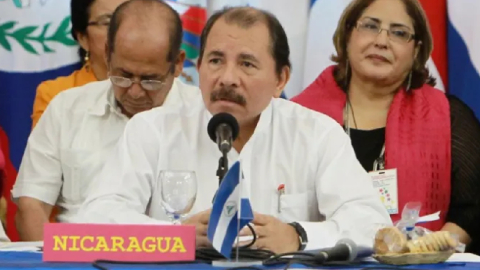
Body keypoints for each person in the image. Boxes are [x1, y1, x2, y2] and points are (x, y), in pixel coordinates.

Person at [77, 6, 391, 253]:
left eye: (247, 64)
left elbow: (372, 224)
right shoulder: (152, 130)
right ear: (198, 68)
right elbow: (96, 219)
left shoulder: (316, 133)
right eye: (215, 60)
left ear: (280, 79)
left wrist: (298, 235)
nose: (227, 78)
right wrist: (176, 236)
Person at [292, 0, 480, 252]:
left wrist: (423, 252)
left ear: (416, 51)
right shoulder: (297, 117)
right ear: (348, 35)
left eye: (399, 33)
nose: (381, 41)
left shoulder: (449, 116)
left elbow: (471, 209)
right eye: (370, 26)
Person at [13, 0, 200, 241]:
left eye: (150, 80)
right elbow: (32, 206)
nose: (134, 92)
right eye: (123, 76)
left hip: (176, 258)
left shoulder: (203, 118)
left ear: (177, 64)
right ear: (107, 56)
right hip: (77, 259)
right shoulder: (66, 109)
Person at [31, 0, 129, 128]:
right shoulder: (56, 95)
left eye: (131, 21)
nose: (123, 32)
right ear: (83, 38)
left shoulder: (157, 88)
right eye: (108, 23)